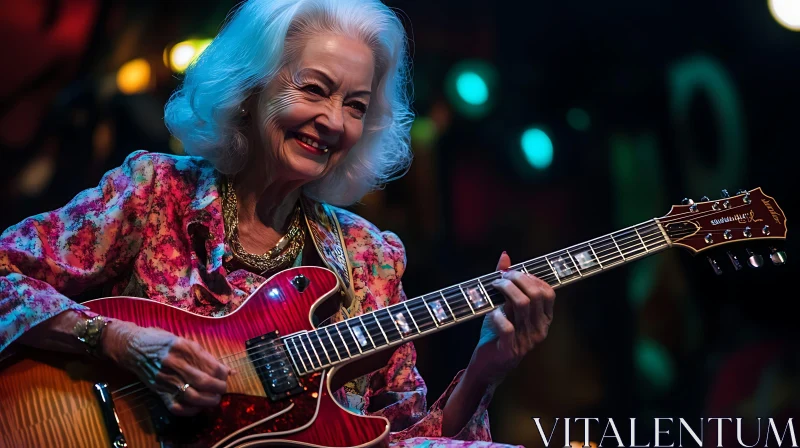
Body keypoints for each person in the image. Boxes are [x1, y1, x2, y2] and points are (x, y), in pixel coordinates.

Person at [0, 0, 556, 445]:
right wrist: (118, 340)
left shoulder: (369, 256)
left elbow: (401, 436)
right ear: (251, 86)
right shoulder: (157, 191)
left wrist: (485, 368)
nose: (333, 121)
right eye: (313, 89)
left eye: (357, 106)